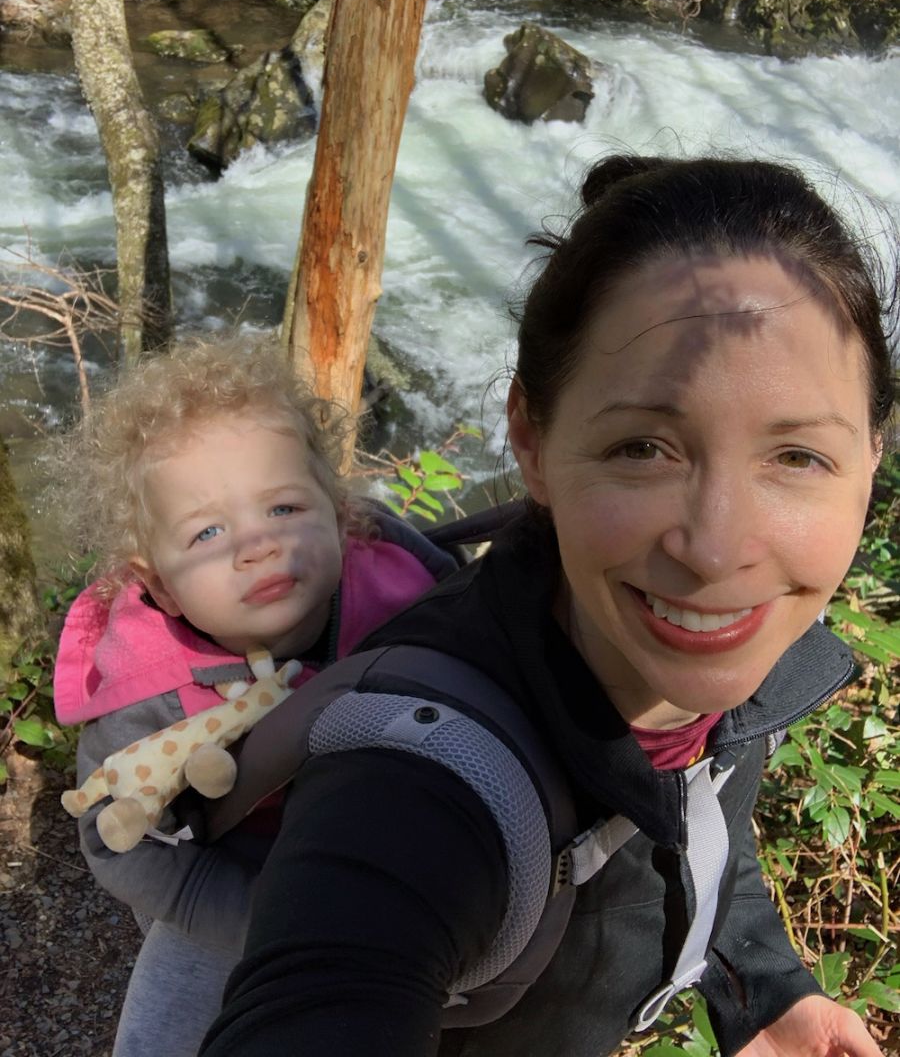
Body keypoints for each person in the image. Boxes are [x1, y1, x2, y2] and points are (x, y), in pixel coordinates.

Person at [198, 156, 896, 1057]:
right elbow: (326, 986)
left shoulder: (724, 650)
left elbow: (694, 807)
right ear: (531, 441)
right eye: (644, 447)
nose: (719, 550)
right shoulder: (417, 784)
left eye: (797, 456)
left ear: (873, 456)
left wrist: (759, 987)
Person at [52, 332, 458, 1057]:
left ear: (338, 511)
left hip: (392, 836)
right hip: (235, 882)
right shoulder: (150, 692)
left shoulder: (402, 575)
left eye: (282, 509)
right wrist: (265, 920)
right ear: (161, 584)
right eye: (208, 530)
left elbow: (481, 631)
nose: (256, 546)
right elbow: (118, 846)